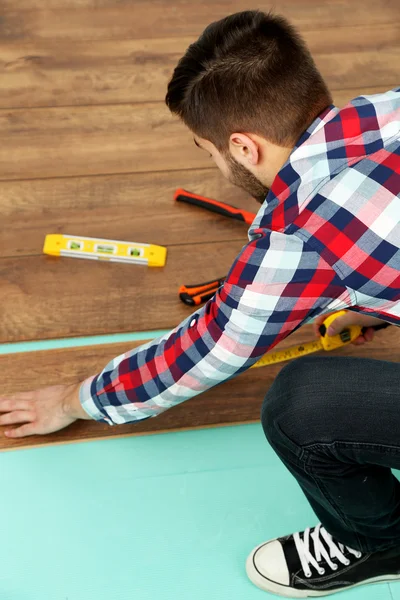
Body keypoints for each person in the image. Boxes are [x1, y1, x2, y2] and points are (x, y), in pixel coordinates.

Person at [0, 10, 399, 598]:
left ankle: (380, 541)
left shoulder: (299, 236)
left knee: (300, 406)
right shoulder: (385, 110)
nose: (215, 165)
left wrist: (73, 399)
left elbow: (206, 348)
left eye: (209, 151)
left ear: (242, 145)